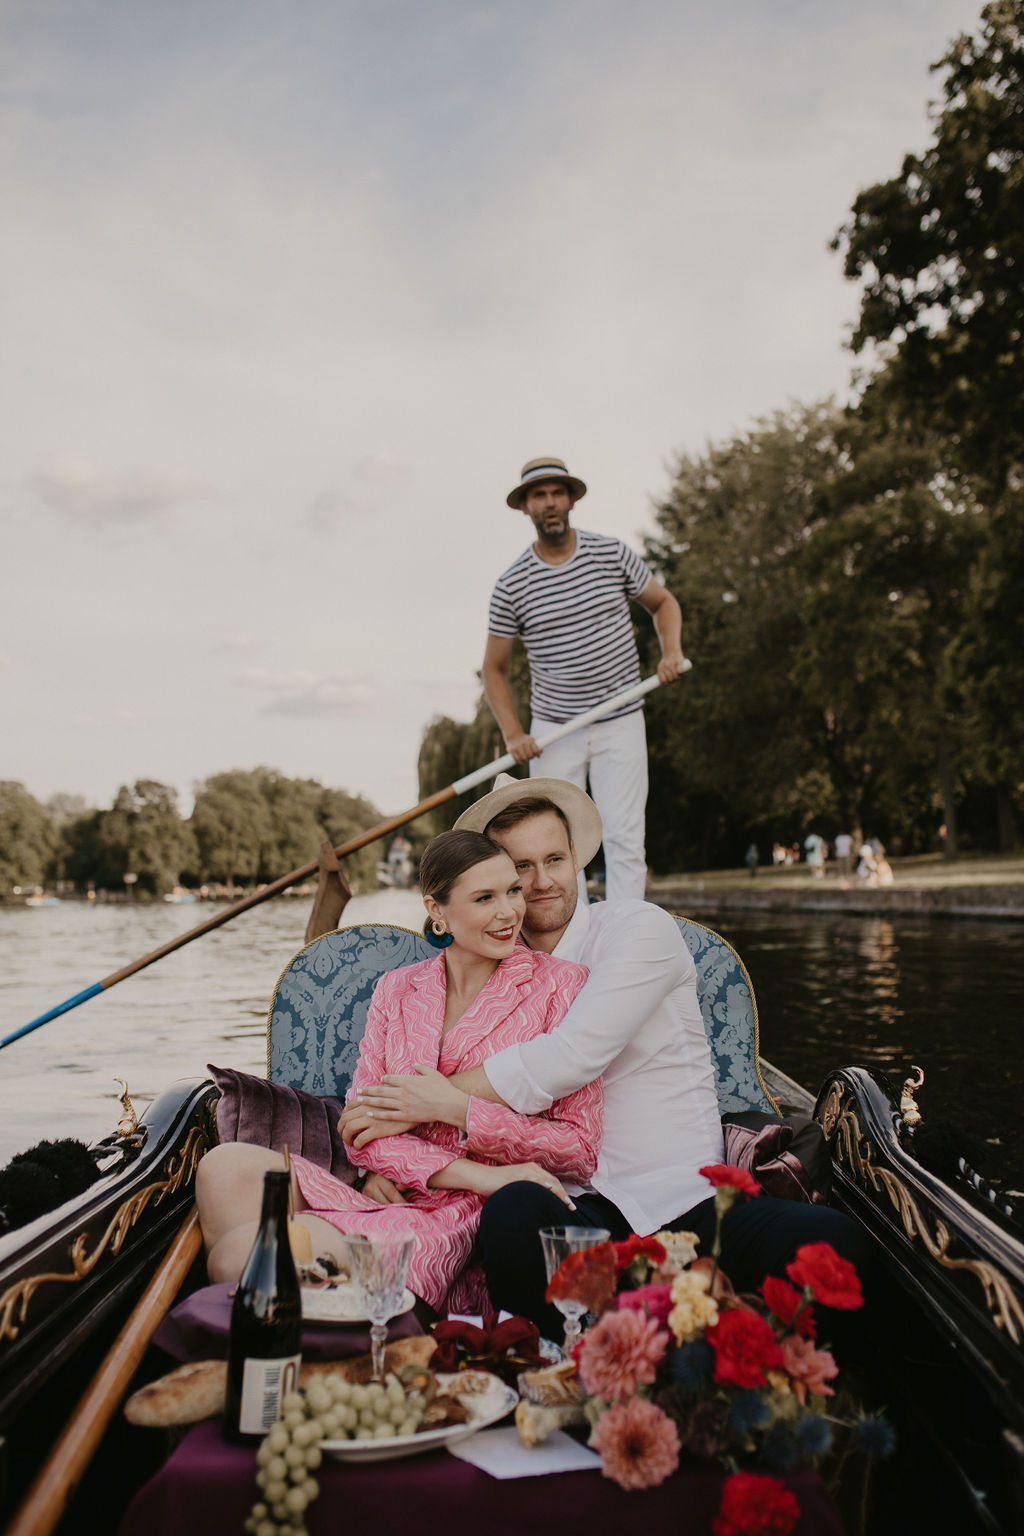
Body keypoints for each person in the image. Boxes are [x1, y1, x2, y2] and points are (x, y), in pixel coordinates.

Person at [345, 776, 869, 1341]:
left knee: (838, 1243)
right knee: (511, 1218)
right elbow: (405, 1055)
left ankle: (653, 1319)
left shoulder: (639, 929)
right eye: (520, 868)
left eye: (554, 859)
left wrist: (420, 1103)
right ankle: (621, 1341)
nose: (541, 882)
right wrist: (380, 1154)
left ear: (577, 858)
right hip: (570, 1208)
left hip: (684, 1199)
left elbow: (572, 1055)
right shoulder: (493, 955)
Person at [197, 829, 602, 1316]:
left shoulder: (561, 986)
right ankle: (298, 1328)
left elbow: (578, 1149)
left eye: (512, 890)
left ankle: (313, 1334)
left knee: (239, 1255)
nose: (509, 912)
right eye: (485, 898)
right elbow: (359, 1128)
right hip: (398, 1188)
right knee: (222, 1170)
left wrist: (464, 1119)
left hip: (469, 1214)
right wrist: (469, 1173)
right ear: (437, 910)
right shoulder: (397, 988)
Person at [481, 456, 687, 902]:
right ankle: (559, 939)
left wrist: (671, 652)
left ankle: (627, 933)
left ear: (571, 498)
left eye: (557, 492)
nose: (549, 503)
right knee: (550, 846)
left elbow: (664, 603)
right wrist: (514, 734)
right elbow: (493, 669)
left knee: (625, 836)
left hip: (621, 718)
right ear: (525, 507)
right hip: (555, 730)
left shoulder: (612, 554)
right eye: (539, 495)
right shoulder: (511, 584)